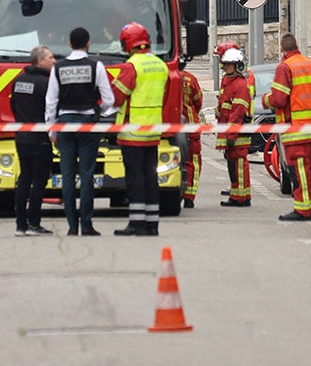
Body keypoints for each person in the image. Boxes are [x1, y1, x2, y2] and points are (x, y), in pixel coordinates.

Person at [45, 27, 114, 237]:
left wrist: (51, 130)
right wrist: (96, 112)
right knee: (87, 174)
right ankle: (86, 224)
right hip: (87, 123)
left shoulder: (59, 67)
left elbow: (51, 101)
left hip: (64, 124)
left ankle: (72, 226)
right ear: (88, 44)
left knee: (67, 176)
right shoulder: (97, 66)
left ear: (69, 44)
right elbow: (109, 100)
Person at [262, 33, 311, 222]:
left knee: (299, 171)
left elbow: (278, 99)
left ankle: (303, 210)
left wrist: (265, 100)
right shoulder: (310, 64)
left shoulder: (285, 67)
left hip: (294, 129)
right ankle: (308, 208)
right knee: (309, 170)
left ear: (281, 49)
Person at [110, 22, 169, 236]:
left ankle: (136, 223)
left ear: (127, 43)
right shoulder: (161, 65)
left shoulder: (131, 66)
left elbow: (116, 98)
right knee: (150, 177)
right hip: (153, 131)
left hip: (132, 131)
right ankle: (152, 224)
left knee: (134, 179)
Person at [11, 45, 56, 236]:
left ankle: (21, 225)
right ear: (40, 61)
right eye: (50, 58)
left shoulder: (18, 81)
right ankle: (34, 224)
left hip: (22, 138)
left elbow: (13, 105)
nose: (54, 61)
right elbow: (51, 109)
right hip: (40, 139)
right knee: (39, 181)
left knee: (24, 180)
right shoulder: (45, 84)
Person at [217, 47, 253, 207]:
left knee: (238, 164)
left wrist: (231, 136)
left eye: (229, 64)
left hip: (237, 134)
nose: (225, 67)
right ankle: (240, 195)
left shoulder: (239, 85)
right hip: (230, 132)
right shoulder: (228, 82)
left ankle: (240, 197)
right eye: (225, 64)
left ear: (237, 65)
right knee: (234, 163)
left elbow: (237, 113)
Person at [179, 62, 204, 209]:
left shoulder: (164, 77)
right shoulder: (190, 79)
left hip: (168, 127)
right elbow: (198, 101)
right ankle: (189, 197)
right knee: (193, 163)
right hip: (191, 127)